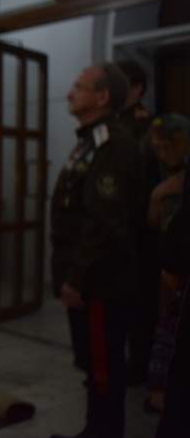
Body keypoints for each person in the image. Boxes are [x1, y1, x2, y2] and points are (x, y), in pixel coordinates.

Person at [50, 63, 144, 438]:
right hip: (89, 278)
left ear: (102, 97)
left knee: (104, 367)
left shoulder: (113, 145)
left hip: (100, 281)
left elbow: (103, 222)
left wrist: (76, 279)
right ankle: (95, 431)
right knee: (94, 365)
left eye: (79, 86)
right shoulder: (91, 140)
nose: (71, 93)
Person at [116, 59, 160, 385]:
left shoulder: (146, 126)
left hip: (140, 229)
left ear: (137, 89)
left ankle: (140, 363)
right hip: (119, 227)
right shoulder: (115, 122)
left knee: (141, 302)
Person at [143, 115, 190, 413]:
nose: (161, 154)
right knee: (163, 329)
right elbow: (152, 223)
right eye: (156, 147)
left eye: (165, 147)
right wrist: (157, 196)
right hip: (164, 263)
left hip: (180, 269)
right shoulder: (160, 175)